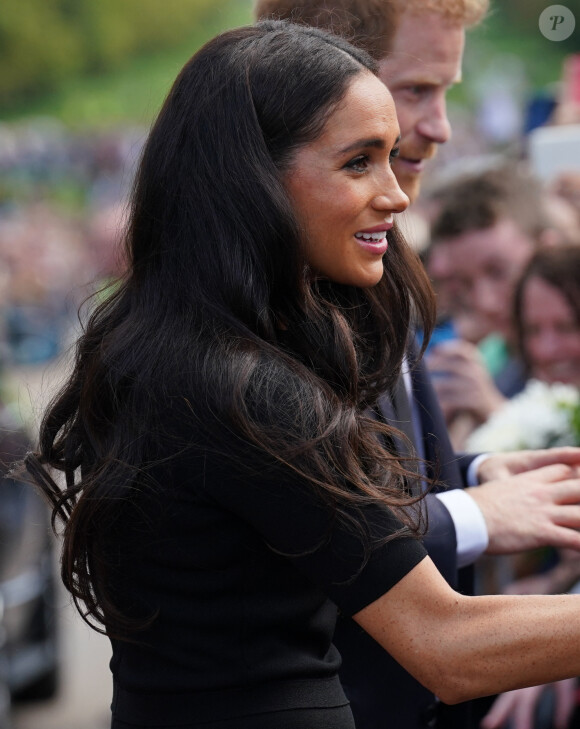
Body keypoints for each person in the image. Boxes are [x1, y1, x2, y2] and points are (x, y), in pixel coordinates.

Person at [24, 20, 580, 729]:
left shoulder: (171, 350)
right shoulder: (241, 387)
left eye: (390, 157)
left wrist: (475, 474)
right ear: (252, 179)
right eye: (358, 163)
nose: (397, 193)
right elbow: (450, 643)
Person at [254, 2, 580, 727]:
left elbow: (382, 476)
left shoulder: (381, 257)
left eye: (448, 92)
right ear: (318, 80)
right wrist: (471, 511)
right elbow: (323, 520)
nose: (440, 126)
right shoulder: (267, 322)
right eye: (418, 91)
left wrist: (475, 471)